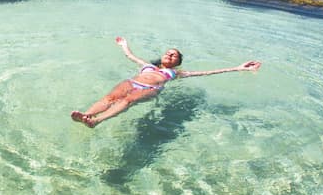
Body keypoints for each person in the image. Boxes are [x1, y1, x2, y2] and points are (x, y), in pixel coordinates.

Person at [70, 38, 261, 128]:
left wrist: (238, 67)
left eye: (174, 55)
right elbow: (130, 56)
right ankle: (86, 115)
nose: (170, 54)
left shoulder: (176, 73)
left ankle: (96, 121)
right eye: (168, 52)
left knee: (127, 101)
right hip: (132, 81)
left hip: (151, 88)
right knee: (110, 97)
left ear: (177, 62)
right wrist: (124, 45)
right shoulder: (146, 65)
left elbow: (207, 72)